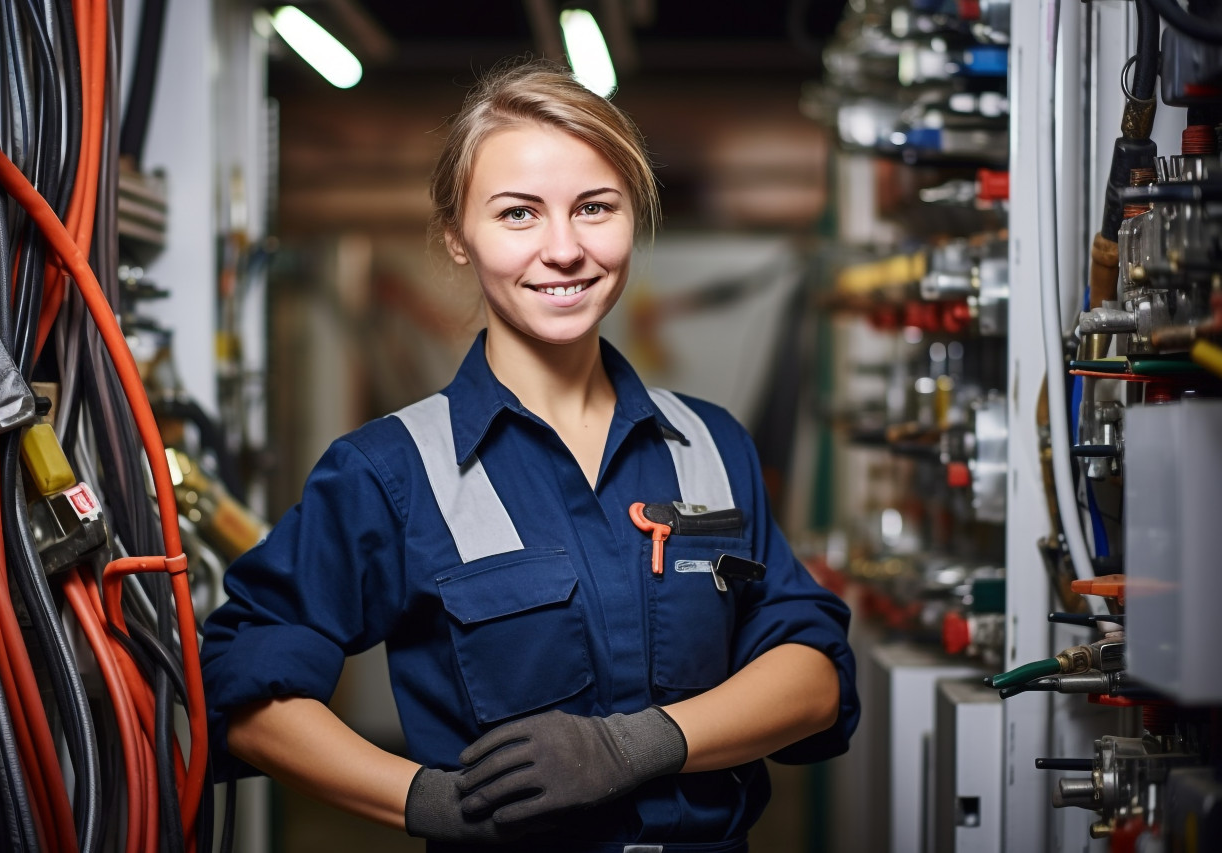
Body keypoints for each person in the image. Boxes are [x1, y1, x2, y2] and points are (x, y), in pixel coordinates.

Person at [201, 59, 859, 852]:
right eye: (519, 213)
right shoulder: (390, 472)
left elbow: (812, 672)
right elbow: (244, 691)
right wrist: (428, 800)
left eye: (595, 208)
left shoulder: (710, 444)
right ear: (457, 236)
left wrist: (637, 743)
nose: (564, 249)